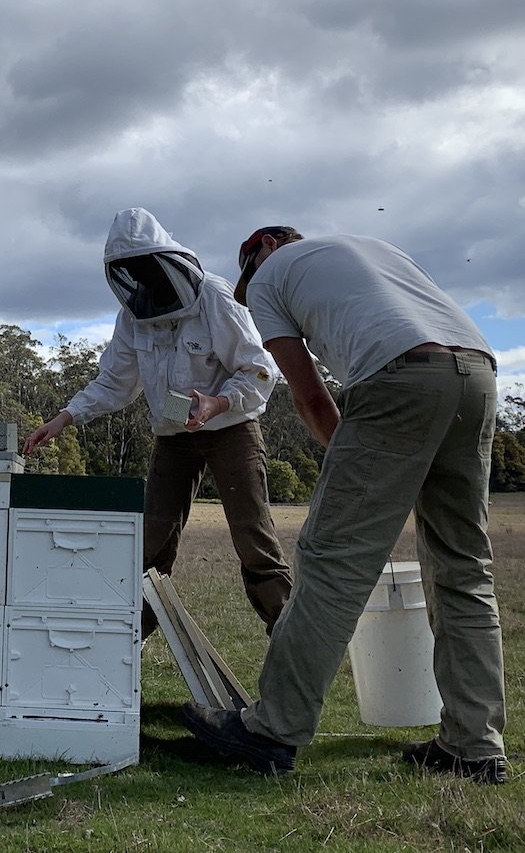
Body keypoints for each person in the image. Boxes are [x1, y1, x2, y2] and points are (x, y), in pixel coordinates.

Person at [181, 226, 507, 784]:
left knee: (333, 559)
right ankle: (473, 746)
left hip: (398, 379)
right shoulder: (375, 247)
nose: (250, 284)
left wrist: (360, 471)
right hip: (476, 373)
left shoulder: (269, 279)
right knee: (463, 566)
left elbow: (309, 396)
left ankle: (271, 730)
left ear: (263, 252)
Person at [25, 208, 293, 637]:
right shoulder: (134, 315)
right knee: (150, 542)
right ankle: (128, 649)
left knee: (253, 537)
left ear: (167, 262)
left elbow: (260, 370)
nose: (144, 281)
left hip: (230, 427)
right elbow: (116, 380)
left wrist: (217, 402)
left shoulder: (215, 298)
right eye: (134, 273)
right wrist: (65, 417)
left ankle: (288, 641)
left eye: (147, 269)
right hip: (173, 431)